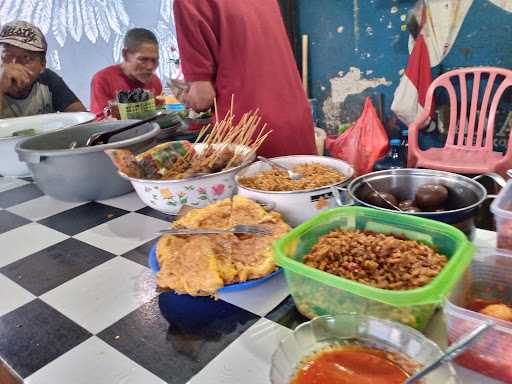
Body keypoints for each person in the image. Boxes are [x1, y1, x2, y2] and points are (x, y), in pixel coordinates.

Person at [173, 0, 317, 158]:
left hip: (249, 133)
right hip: (296, 122)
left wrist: (185, 97)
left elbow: (202, 99)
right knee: (309, 180)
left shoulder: (187, 3)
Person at [0, 21, 86, 119]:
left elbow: (81, 119)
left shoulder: (47, 80)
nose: (14, 64)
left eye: (25, 57)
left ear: (42, 64)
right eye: (6, 55)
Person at [90, 28, 162, 118]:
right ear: (125, 54)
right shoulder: (103, 80)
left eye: (154, 60)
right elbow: (100, 123)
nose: (150, 67)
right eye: (143, 59)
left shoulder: (155, 81)